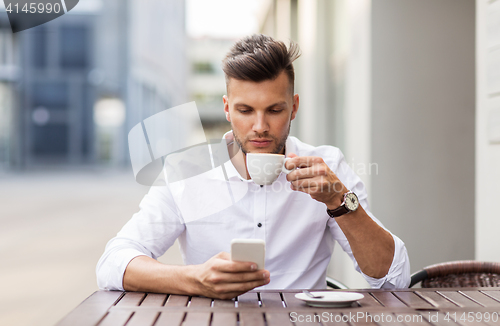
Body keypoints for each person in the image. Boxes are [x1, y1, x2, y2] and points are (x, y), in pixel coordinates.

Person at [96, 34, 410, 299]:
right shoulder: (186, 170)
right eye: (245, 110)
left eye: (274, 110)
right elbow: (113, 263)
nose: (260, 126)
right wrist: (194, 279)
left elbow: (393, 280)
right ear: (227, 109)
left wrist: (339, 201)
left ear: (294, 108)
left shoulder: (327, 166)